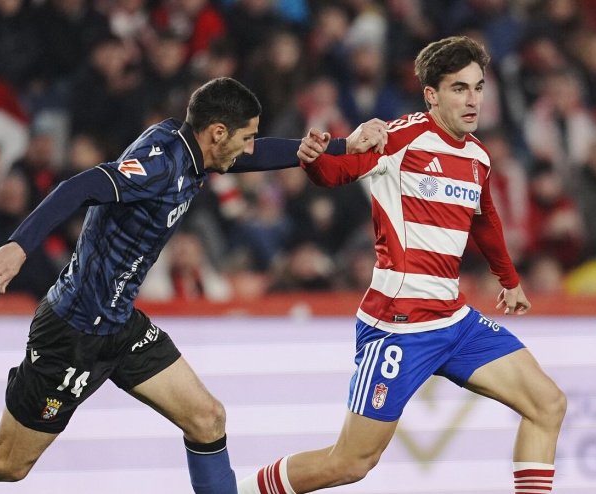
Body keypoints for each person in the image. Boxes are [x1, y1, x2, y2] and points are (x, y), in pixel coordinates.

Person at [0, 77, 388, 494]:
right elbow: (80, 186)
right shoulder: (157, 164)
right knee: (8, 462)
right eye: (243, 139)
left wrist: (337, 148)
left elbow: (258, 157)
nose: (248, 149)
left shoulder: (196, 153)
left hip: (120, 325)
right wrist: (19, 245)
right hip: (71, 332)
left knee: (208, 418)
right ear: (217, 132)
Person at [239, 37, 567, 494]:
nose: (473, 99)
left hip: (453, 320)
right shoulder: (398, 138)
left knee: (548, 404)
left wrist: (509, 281)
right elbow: (339, 173)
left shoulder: (477, 156)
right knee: (351, 463)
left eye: (478, 87)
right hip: (399, 324)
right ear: (431, 94)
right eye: (459, 89)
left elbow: (485, 217)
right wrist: (314, 162)